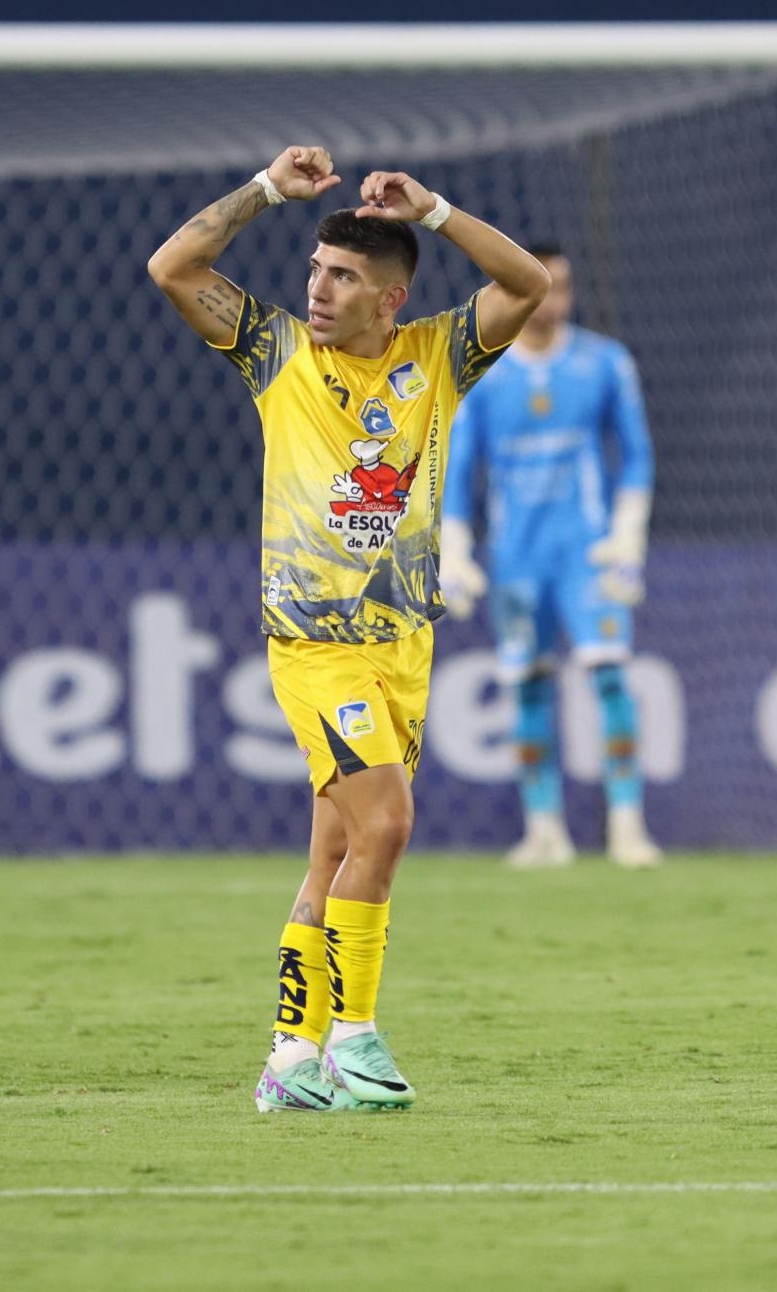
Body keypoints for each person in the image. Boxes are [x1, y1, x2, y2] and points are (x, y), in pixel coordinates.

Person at [147, 147, 549, 1112]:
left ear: (391, 300)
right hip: (317, 645)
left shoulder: (437, 361)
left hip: (404, 644)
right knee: (391, 822)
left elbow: (526, 282)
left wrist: (439, 208)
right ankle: (357, 1039)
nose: (318, 291)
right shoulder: (279, 354)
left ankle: (289, 1061)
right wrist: (264, 192)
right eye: (315, 272)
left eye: (343, 278)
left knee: (334, 852)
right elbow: (173, 268)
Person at [438, 243, 660, 869]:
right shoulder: (484, 373)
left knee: (611, 674)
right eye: (541, 286)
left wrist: (627, 537)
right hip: (516, 559)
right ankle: (543, 829)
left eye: (562, 285)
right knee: (528, 685)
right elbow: (460, 471)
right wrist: (454, 551)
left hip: (586, 553)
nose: (552, 300)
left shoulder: (604, 363)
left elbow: (636, 455)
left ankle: (626, 825)